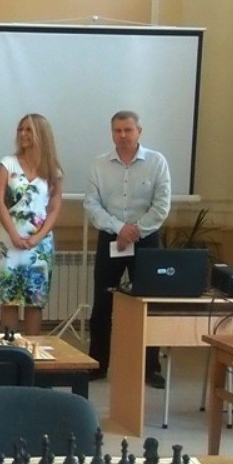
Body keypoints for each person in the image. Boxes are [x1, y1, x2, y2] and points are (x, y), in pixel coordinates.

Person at [84, 110, 171, 388]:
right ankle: (97, 364)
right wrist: (120, 228)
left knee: (148, 304)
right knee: (103, 303)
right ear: (112, 133)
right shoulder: (99, 164)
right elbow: (92, 203)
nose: (122, 135)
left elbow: (161, 205)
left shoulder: (156, 162)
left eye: (128, 130)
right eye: (117, 130)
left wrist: (135, 231)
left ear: (139, 132)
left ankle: (150, 368)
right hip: (111, 237)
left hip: (146, 240)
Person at [0, 113, 63, 335]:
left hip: (39, 243)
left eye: (28, 130)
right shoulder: (8, 163)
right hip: (10, 240)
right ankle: (8, 348)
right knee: (9, 298)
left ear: (41, 134)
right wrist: (14, 235)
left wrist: (37, 237)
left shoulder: (53, 170)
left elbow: (54, 207)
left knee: (35, 300)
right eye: (20, 129)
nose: (23, 134)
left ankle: (33, 349)